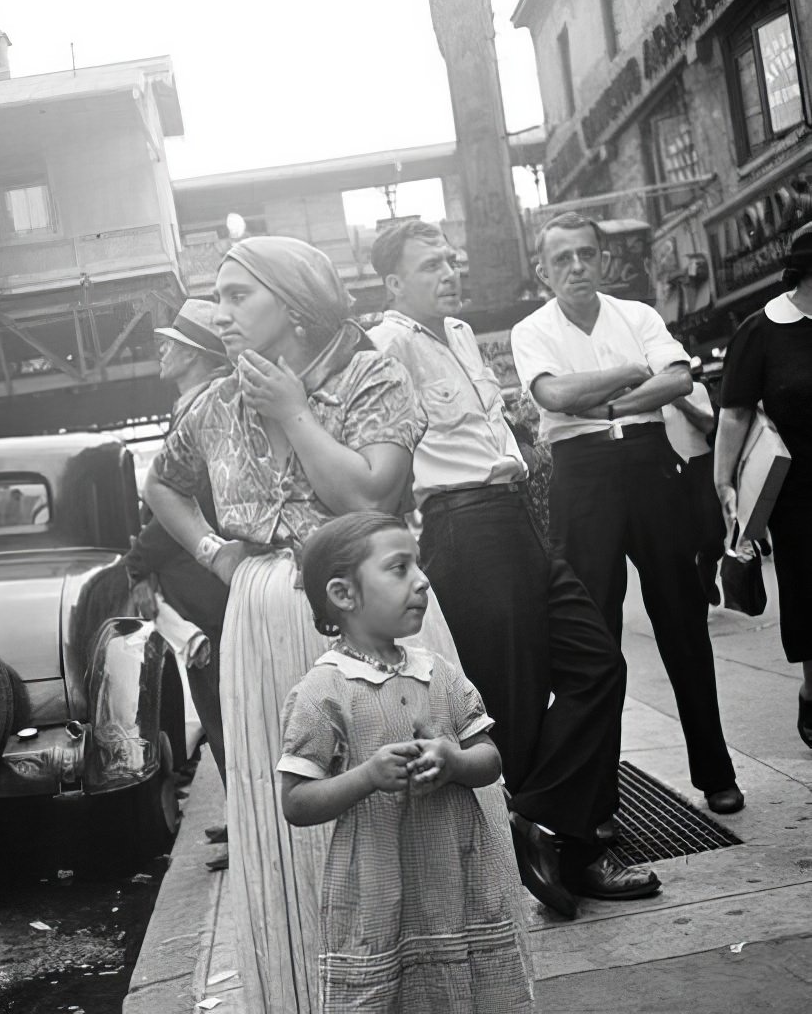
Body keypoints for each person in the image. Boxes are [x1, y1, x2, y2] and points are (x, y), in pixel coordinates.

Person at [143, 236, 442, 1014]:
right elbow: (163, 484)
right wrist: (215, 552)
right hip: (263, 615)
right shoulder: (212, 405)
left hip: (364, 607)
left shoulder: (372, 375)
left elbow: (370, 496)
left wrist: (294, 412)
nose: (222, 312)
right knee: (297, 796)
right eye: (219, 296)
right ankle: (312, 985)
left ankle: (413, 984)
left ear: (298, 306)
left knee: (393, 790)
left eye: (239, 295)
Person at [369, 219, 659, 920]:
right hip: (465, 529)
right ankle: (574, 851)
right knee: (517, 703)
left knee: (598, 666)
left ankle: (542, 820)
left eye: (450, 258)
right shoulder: (385, 347)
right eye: (430, 264)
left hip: (517, 518)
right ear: (392, 283)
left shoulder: (463, 334)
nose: (448, 270)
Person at [511, 211, 742, 815]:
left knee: (683, 620)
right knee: (594, 637)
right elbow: (553, 396)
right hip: (581, 476)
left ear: (602, 259)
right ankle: (599, 796)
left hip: (648, 464)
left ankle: (715, 772)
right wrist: (632, 376)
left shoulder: (636, 314)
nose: (577, 267)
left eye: (586, 254)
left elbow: (677, 381)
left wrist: (604, 400)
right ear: (543, 269)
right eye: (562, 258)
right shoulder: (531, 330)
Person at [279, 511, 534, 1014]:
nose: (423, 579)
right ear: (343, 595)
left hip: (459, 884)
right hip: (377, 897)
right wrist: (366, 776)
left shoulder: (436, 672)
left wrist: (456, 762)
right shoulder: (322, 693)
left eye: (418, 564)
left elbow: (490, 759)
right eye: (400, 568)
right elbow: (296, 801)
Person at [124, 300, 233, 833]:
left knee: (224, 711)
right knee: (220, 712)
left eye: (172, 343)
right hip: (203, 591)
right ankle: (245, 818)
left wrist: (136, 564)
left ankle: (254, 826)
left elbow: (183, 509)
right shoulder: (197, 404)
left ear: (195, 354)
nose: (161, 349)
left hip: (206, 593)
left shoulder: (202, 409)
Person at [714, 221, 812, 748]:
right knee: (808, 589)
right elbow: (733, 414)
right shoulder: (764, 328)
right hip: (797, 489)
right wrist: (724, 482)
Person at [662, 362, 724, 604]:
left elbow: (708, 424)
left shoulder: (697, 390)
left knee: (714, 535)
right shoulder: (647, 398)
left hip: (701, 464)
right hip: (669, 470)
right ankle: (694, 593)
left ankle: (706, 569)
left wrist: (681, 402)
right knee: (681, 540)